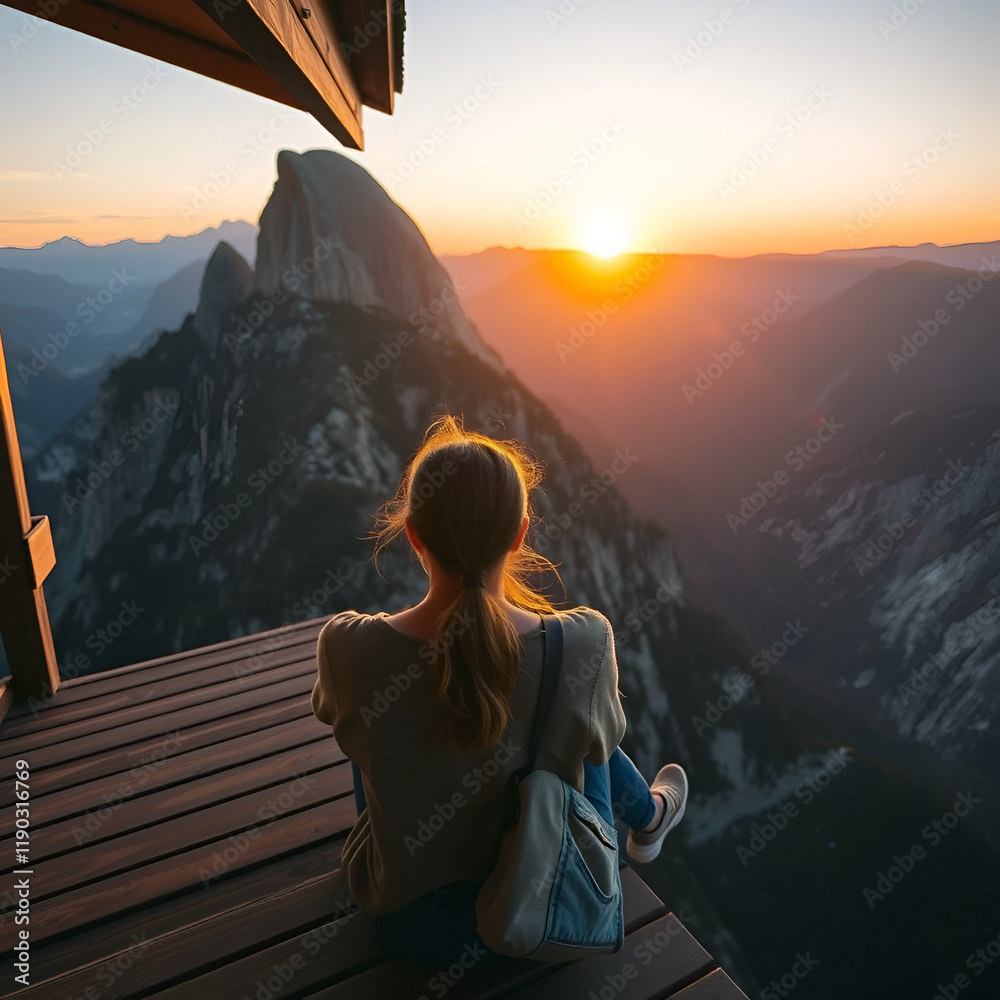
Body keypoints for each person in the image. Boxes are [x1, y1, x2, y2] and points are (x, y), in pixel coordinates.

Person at [310, 414, 688, 967]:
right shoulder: (583, 639)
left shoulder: (347, 647)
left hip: (406, 926)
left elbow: (332, 714)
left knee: (365, 715)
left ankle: (649, 815)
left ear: (412, 533)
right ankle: (649, 818)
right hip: (538, 915)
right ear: (519, 533)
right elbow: (594, 746)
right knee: (588, 730)